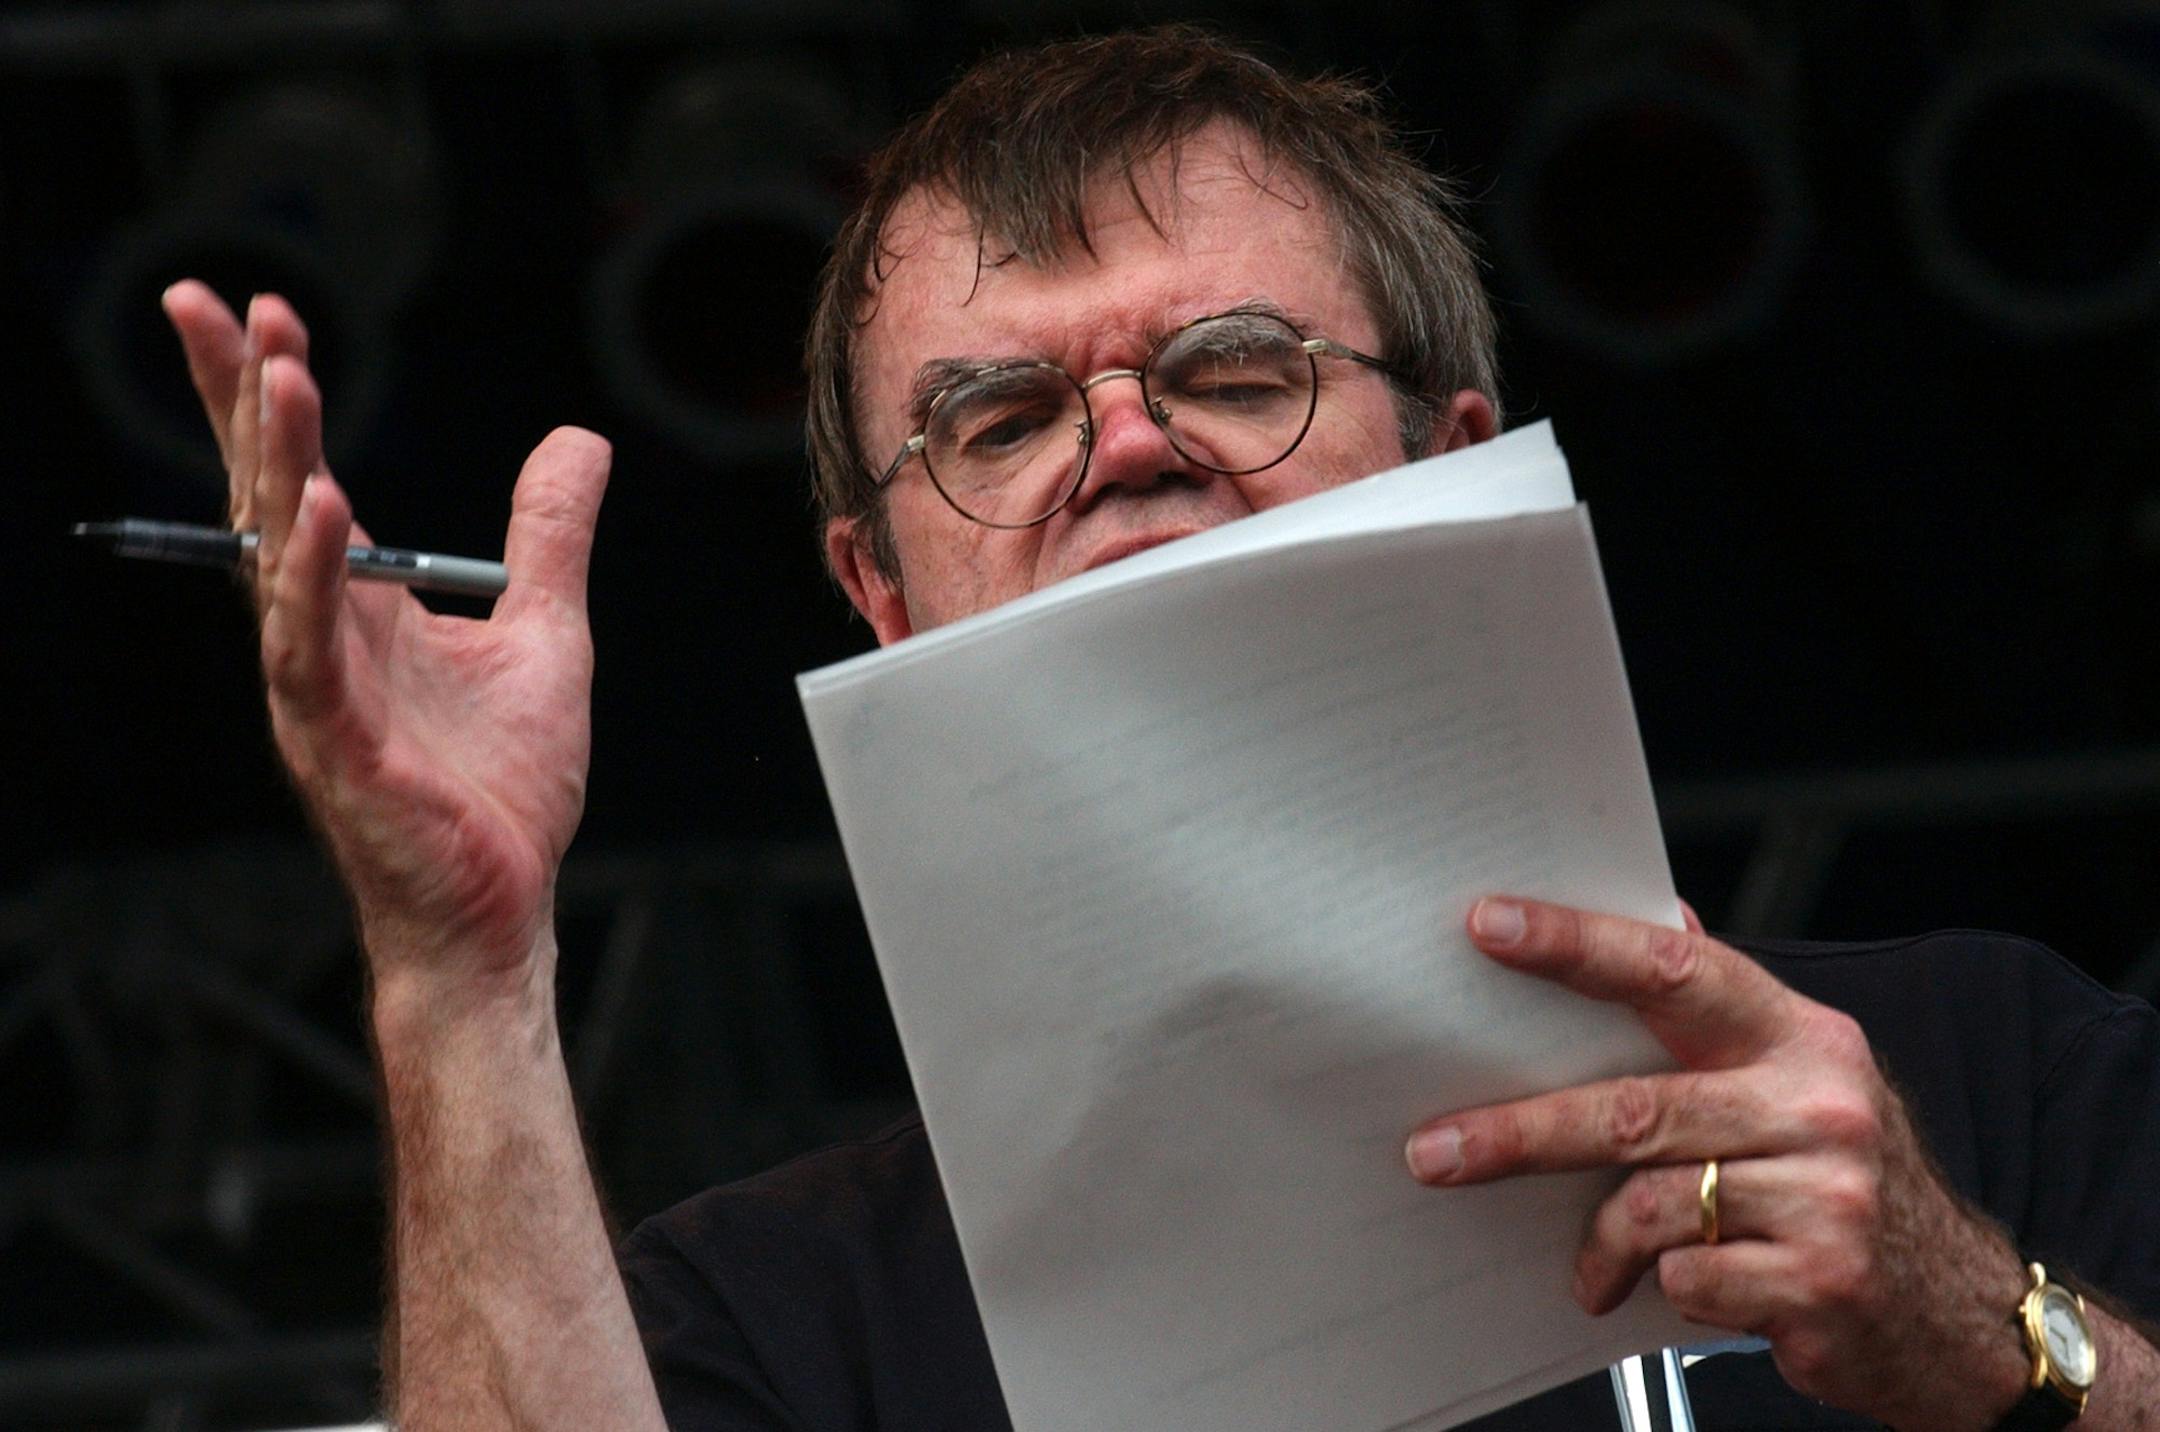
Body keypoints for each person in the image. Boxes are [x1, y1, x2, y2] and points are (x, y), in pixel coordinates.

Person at [158, 25, 2160, 1432]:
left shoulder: (1982, 1072)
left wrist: (1993, 1339)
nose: (1125, 443)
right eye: (998, 419)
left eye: (1234, 365)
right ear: (880, 590)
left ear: (1453, 454)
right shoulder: (774, 1314)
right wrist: (452, 966)